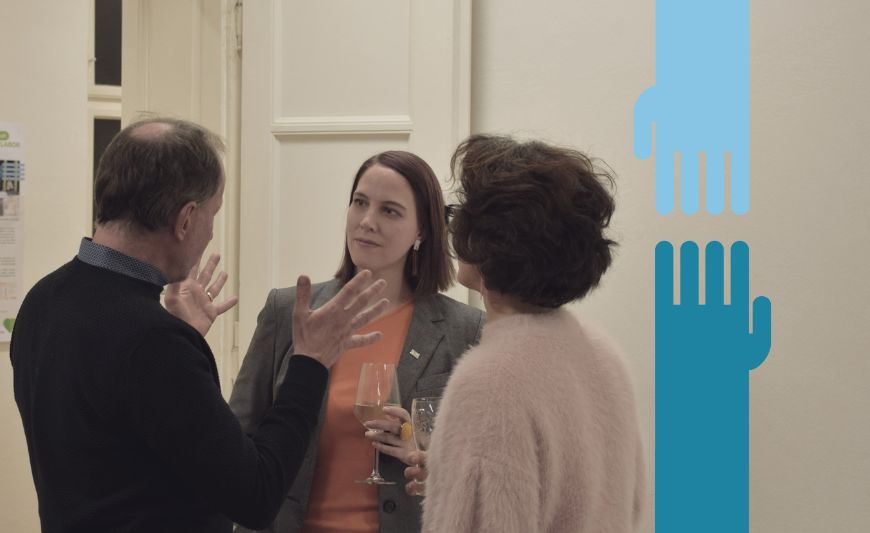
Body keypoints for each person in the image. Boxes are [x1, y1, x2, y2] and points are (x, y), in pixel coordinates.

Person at [10, 117, 388, 533]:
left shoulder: (43, 299)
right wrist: (310, 363)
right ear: (186, 219)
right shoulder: (153, 342)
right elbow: (256, 495)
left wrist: (180, 339)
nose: (209, 234)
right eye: (213, 213)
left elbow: (116, 448)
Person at [229, 150, 484, 533]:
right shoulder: (288, 311)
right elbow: (237, 443)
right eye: (360, 203)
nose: (367, 221)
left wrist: (424, 454)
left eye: (389, 211)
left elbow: (481, 468)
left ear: (422, 231)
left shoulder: (464, 329)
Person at [403, 135, 646, 532]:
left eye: (462, 212)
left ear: (489, 240)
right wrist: (455, 478)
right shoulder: (605, 356)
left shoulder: (490, 381)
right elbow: (625, 505)